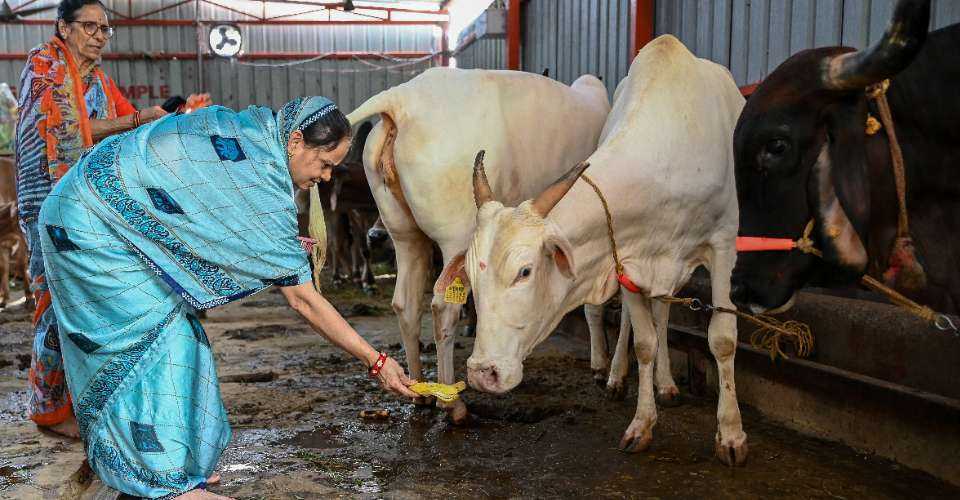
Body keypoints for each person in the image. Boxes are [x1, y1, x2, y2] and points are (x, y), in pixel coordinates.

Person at [38, 95, 417, 499]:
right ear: (295, 142)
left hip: (107, 217)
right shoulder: (259, 170)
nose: (326, 177)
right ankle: (160, 478)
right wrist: (376, 361)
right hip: (85, 224)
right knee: (154, 345)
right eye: (324, 164)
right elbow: (302, 299)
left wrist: (274, 248)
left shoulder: (254, 142)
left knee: (185, 340)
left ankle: (178, 463)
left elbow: (209, 217)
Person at [15, 0, 206, 436]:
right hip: (46, 200)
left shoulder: (98, 79)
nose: (99, 35)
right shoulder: (44, 66)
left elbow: (126, 127)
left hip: (85, 205)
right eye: (90, 26)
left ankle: (85, 399)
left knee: (90, 301)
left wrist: (158, 122)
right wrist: (136, 119)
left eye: (105, 29)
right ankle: (49, 410)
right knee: (54, 299)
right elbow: (71, 130)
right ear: (63, 27)